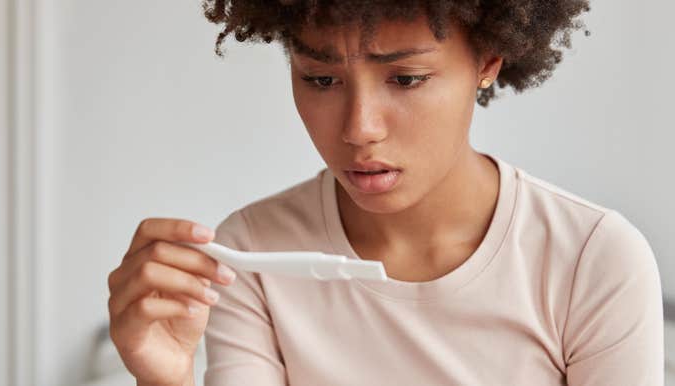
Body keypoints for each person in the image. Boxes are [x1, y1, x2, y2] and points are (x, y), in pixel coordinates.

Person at [106, 1, 665, 385]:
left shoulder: (592, 260)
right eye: (321, 79)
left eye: (405, 79)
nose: (359, 128)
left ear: (487, 62)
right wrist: (168, 379)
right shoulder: (253, 251)